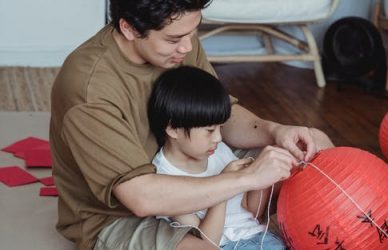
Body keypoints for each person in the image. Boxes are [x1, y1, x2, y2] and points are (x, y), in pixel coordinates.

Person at [49, 0, 334, 249]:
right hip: (122, 214)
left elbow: (218, 115)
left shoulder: (181, 42)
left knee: (313, 144)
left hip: (198, 158)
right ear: (129, 29)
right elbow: (141, 197)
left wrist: (275, 131)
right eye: (174, 40)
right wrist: (245, 180)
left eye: (193, 32)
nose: (187, 46)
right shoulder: (88, 88)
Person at [149, 66, 286, 249]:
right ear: (173, 129)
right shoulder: (165, 176)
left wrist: (260, 178)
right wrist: (225, 183)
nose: (218, 138)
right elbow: (207, 242)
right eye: (209, 130)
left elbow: (250, 211)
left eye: (220, 128)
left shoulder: (217, 150)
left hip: (262, 237)